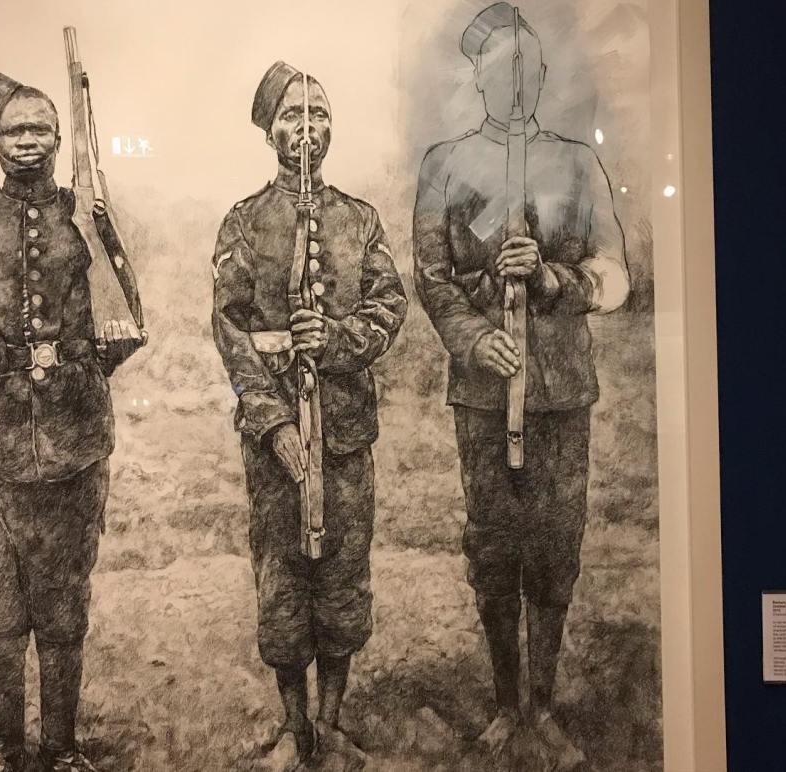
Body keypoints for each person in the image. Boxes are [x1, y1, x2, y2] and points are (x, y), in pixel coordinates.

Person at [413, 4, 630, 768]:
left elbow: (615, 276)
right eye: (503, 69)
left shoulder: (576, 162)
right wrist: (476, 341)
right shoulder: (445, 164)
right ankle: (506, 707)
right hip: (483, 394)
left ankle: (544, 706)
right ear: (477, 77)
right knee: (494, 544)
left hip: (561, 392)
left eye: (530, 68)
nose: (518, 82)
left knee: (556, 543)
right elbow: (432, 277)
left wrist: (549, 280)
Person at [0, 73, 144, 772]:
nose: (28, 141)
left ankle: (61, 748)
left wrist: (79, 359)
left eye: (41, 128)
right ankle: (4, 749)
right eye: (14, 130)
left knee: (63, 605)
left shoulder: (86, 215)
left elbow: (126, 318)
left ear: (59, 138)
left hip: (74, 444)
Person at [212, 61, 407, 771]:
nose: (307, 128)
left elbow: (389, 304)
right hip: (277, 446)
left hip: (347, 434)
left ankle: (333, 723)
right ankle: (295, 728)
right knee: (284, 575)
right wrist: (272, 421)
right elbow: (229, 328)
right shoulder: (244, 221)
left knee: (344, 574)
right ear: (268, 131)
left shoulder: (360, 219)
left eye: (318, 113)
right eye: (291, 115)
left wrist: (339, 340)